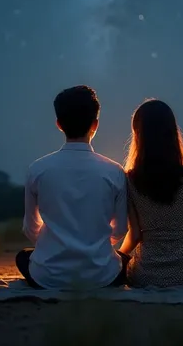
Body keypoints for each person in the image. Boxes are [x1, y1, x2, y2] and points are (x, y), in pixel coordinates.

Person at [16, 85, 128, 290]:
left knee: (23, 257)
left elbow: (30, 229)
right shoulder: (115, 171)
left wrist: (58, 243)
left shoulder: (37, 169)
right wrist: (92, 244)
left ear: (59, 124)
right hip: (101, 276)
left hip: (49, 277)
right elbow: (120, 229)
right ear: (95, 125)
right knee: (123, 260)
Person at [119, 98, 183, 287]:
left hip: (146, 276)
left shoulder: (130, 179)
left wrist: (120, 257)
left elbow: (134, 236)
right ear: (172, 132)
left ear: (138, 135)